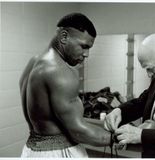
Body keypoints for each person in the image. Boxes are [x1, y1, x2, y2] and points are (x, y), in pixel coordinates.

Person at [19, 13, 112, 158]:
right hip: (58, 153)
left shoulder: (35, 62)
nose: (87, 54)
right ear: (64, 37)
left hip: (31, 150)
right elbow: (78, 131)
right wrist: (119, 138)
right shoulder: (60, 71)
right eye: (84, 46)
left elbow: (56, 119)